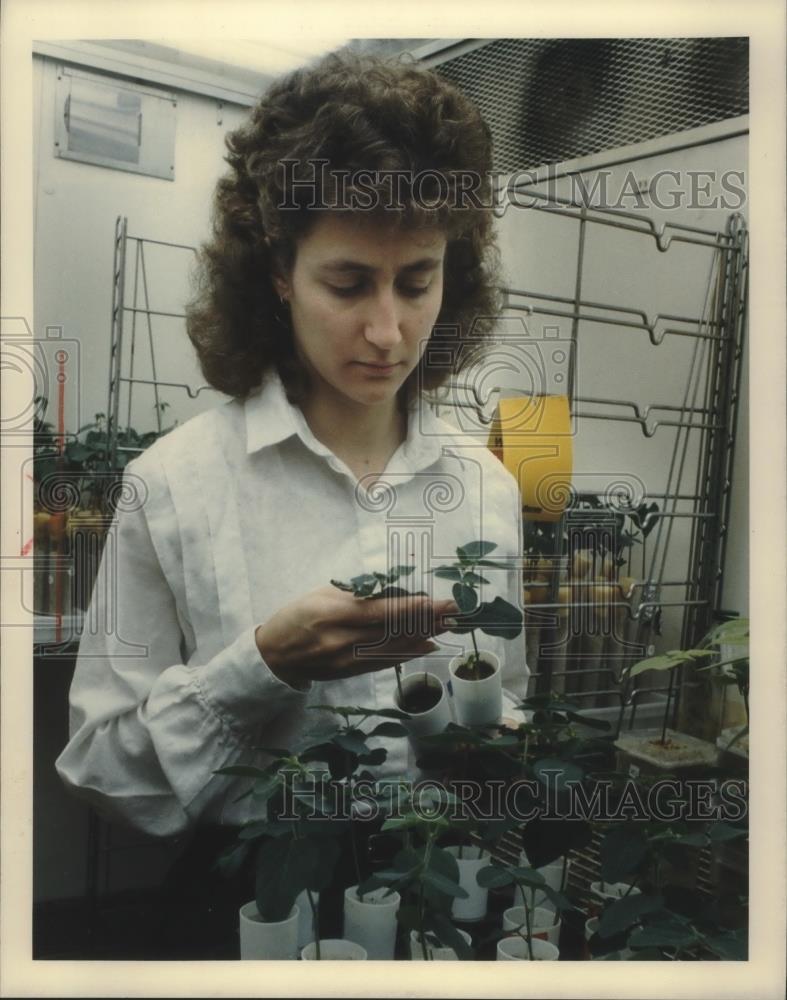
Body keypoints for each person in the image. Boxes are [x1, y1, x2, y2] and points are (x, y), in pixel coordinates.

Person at [54, 50, 527, 953]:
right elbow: (107, 778)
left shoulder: (486, 490)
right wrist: (260, 664)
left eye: (416, 281)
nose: (387, 331)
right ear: (277, 268)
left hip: (440, 893)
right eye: (347, 283)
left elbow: (500, 709)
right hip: (251, 903)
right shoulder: (175, 483)